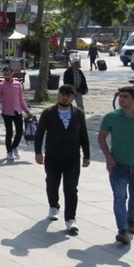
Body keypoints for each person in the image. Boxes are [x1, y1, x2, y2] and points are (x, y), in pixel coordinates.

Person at [98, 86, 134, 245]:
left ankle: (131, 220)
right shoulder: (111, 117)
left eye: (125, 96)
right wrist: (108, 157)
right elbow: (102, 137)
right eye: (120, 96)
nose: (121, 99)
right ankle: (123, 230)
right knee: (119, 197)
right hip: (118, 165)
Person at [34, 84, 90, 236]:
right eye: (62, 94)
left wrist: (87, 155)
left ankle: (71, 219)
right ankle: (54, 206)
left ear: (73, 97)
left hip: (72, 158)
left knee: (71, 188)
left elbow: (83, 135)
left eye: (68, 95)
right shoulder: (48, 113)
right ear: (58, 95)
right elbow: (39, 133)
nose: (65, 97)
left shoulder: (78, 114)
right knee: (52, 183)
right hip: (53, 156)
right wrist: (38, 152)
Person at [0, 66, 34, 161]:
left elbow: (21, 99)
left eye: (8, 74)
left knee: (19, 131)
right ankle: (9, 151)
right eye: (5, 74)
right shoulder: (1, 85)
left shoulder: (18, 84)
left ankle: (14, 146)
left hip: (17, 111)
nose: (6, 76)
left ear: (12, 73)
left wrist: (27, 111)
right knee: (9, 132)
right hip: (6, 111)